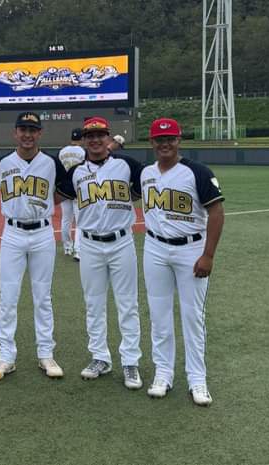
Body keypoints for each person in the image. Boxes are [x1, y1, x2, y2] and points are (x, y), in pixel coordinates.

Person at [0, 111, 75, 382]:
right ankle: (6, 356)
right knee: (8, 296)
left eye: (32, 130)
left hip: (42, 233)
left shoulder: (51, 163)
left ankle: (46, 353)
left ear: (39, 134)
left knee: (42, 296)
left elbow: (66, 190)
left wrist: (44, 203)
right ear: (15, 133)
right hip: (12, 233)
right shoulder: (3, 163)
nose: (27, 134)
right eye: (23, 129)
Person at [141, 117, 225, 406]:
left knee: (192, 316)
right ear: (152, 142)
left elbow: (216, 212)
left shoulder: (197, 171)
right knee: (159, 314)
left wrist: (208, 255)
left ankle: (197, 379)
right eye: (159, 139)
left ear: (178, 140)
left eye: (170, 139)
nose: (165, 144)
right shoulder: (146, 173)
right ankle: (163, 373)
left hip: (191, 248)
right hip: (155, 247)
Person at [67, 116, 143, 389]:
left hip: (121, 241)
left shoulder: (126, 164)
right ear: (84, 140)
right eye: (90, 136)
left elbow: (143, 188)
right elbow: (61, 195)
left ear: (108, 138)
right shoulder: (76, 172)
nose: (95, 140)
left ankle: (130, 361)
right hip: (89, 244)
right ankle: (100, 357)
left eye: (100, 135)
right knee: (93, 303)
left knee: (127, 304)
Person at [57, 128, 85, 260]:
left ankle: (67, 247)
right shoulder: (83, 152)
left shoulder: (62, 151)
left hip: (64, 189)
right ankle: (78, 251)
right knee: (80, 221)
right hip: (78, 188)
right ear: (82, 139)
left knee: (66, 219)